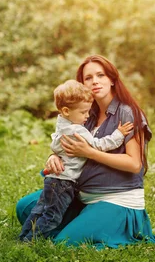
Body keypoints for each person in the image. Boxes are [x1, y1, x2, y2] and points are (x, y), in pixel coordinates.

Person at [16, 54, 155, 249]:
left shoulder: (127, 112)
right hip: (80, 195)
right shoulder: (86, 113)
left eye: (100, 75)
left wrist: (90, 152)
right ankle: (82, 222)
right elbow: (67, 141)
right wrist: (54, 156)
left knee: (63, 244)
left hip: (116, 200)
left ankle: (102, 227)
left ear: (111, 79)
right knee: (24, 208)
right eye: (88, 78)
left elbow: (135, 164)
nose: (95, 81)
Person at [19, 80, 133, 241]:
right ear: (66, 110)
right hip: (64, 182)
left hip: (53, 179)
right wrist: (119, 134)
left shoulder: (61, 125)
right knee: (53, 216)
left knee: (39, 210)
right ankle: (32, 241)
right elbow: (99, 145)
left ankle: (24, 236)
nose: (87, 116)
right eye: (83, 112)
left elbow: (55, 146)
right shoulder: (77, 130)